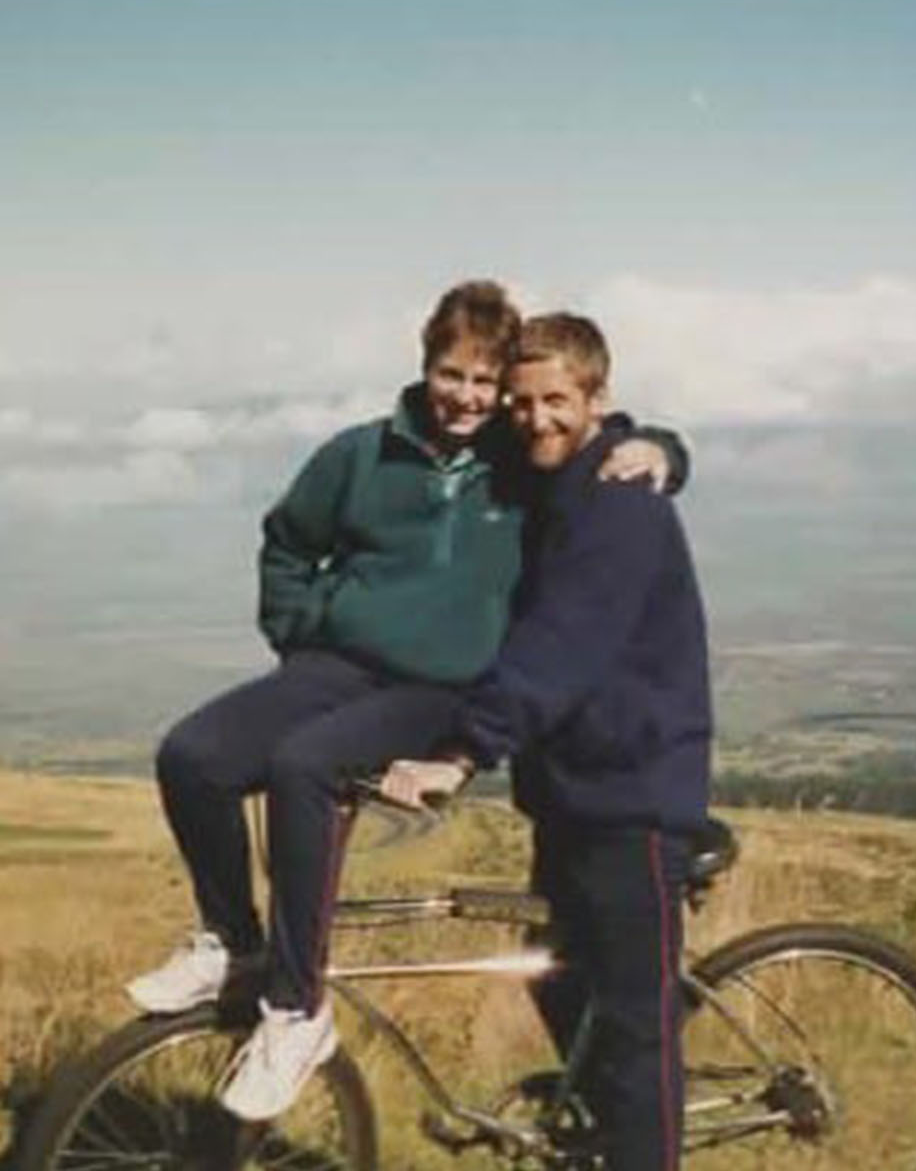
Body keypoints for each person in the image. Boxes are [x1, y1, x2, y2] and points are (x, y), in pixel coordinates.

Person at [127, 281, 689, 1121]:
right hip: (337, 667)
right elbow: (288, 541)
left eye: (482, 381)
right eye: (450, 374)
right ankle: (234, 944)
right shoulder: (361, 454)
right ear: (425, 367)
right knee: (192, 756)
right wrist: (303, 633)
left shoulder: (517, 455)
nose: (467, 397)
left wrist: (664, 449)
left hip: (444, 689)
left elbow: (591, 441)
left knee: (304, 766)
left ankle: (295, 1007)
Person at [383, 313, 713, 1171]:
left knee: (638, 1041)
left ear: (598, 398)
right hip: (569, 790)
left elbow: (560, 650)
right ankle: (605, 1139)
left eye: (557, 400)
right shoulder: (548, 474)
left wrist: (462, 753)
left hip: (633, 795)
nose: (536, 418)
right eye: (522, 402)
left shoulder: (618, 503)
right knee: (563, 986)